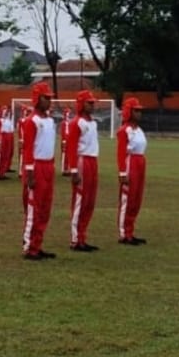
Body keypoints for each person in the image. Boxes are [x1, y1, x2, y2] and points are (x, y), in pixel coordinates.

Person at [20, 82, 58, 260]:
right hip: (36, 166)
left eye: (50, 98)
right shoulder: (31, 121)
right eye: (45, 98)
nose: (49, 101)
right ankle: (29, 247)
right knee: (34, 208)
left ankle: (38, 244)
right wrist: (29, 172)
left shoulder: (50, 121)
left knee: (45, 208)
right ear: (37, 98)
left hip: (49, 165)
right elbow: (28, 149)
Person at [64, 89, 101, 251]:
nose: (92, 105)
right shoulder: (76, 123)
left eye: (93, 103)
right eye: (89, 103)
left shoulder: (93, 123)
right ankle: (75, 239)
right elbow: (71, 148)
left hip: (93, 161)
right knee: (80, 200)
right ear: (81, 104)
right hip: (82, 161)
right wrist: (73, 170)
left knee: (89, 201)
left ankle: (83, 236)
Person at [115, 97, 148, 245]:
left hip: (140, 162)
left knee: (136, 198)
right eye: (136, 110)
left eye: (140, 111)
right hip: (130, 163)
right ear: (129, 111)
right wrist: (122, 172)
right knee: (127, 198)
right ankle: (124, 233)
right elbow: (121, 153)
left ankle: (130, 231)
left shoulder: (139, 130)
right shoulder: (124, 130)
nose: (139, 113)